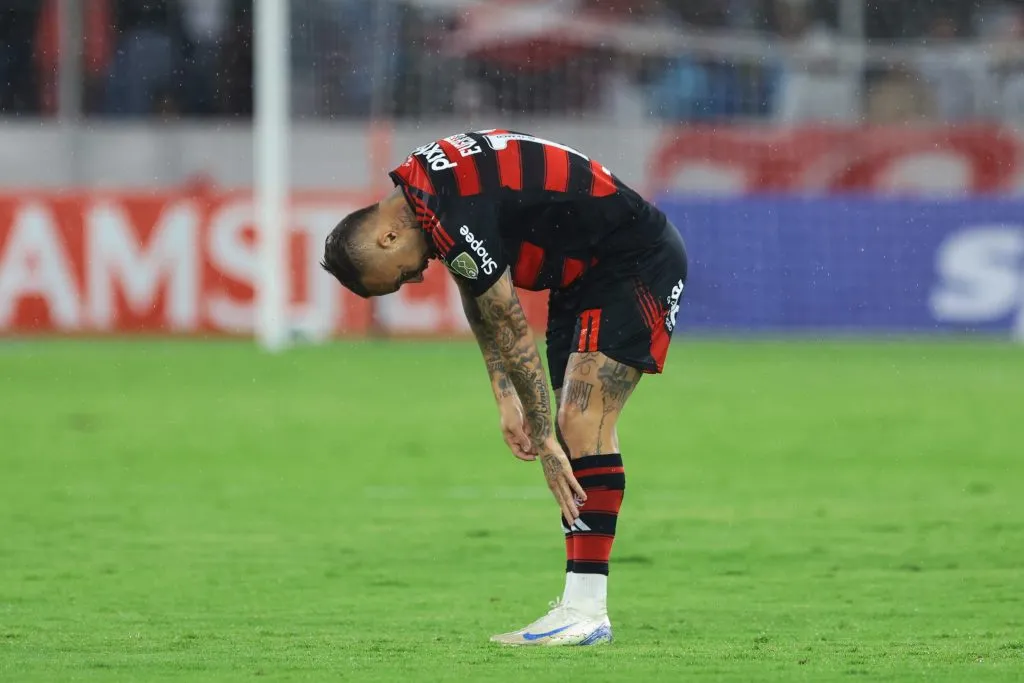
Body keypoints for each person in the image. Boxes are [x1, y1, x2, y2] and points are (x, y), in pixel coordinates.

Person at [321, 130, 688, 646]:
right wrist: (504, 396)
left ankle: (586, 612)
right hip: (583, 275)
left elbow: (513, 326)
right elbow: (480, 295)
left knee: (578, 424)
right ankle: (581, 609)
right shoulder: (426, 194)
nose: (414, 278)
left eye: (398, 276)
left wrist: (543, 445)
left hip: (634, 260)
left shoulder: (447, 210)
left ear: (387, 238)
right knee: (574, 427)